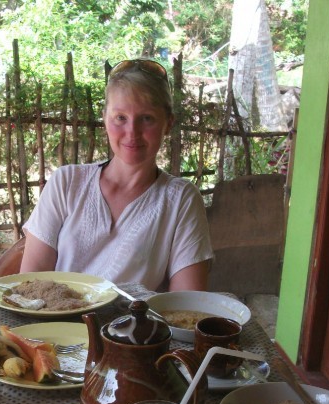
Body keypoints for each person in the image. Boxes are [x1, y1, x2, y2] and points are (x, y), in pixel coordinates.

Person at [19, 58, 213, 292]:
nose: (132, 133)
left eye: (147, 118)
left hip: (138, 328)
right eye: (121, 118)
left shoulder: (180, 199)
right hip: (55, 325)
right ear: (105, 118)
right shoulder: (67, 183)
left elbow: (186, 302)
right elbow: (31, 285)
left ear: (168, 123)